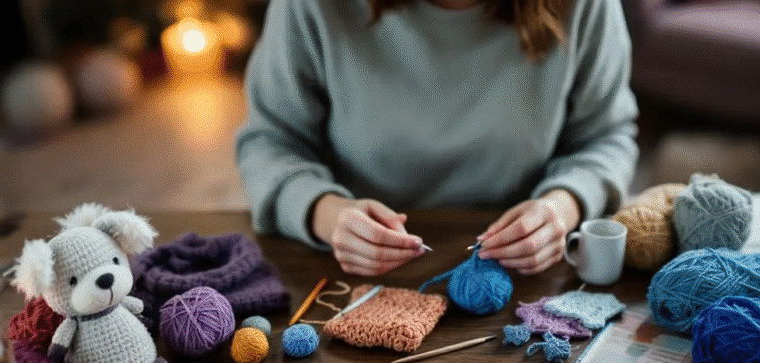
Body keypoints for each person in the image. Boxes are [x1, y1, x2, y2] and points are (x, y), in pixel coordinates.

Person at [236, 0, 638, 276]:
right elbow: (270, 141)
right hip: (343, 269)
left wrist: (562, 208)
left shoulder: (586, 7)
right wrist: (327, 214)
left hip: (529, 274)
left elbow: (607, 137)